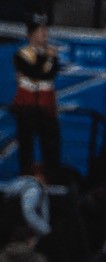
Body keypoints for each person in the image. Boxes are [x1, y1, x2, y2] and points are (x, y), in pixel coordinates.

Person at [11, 19, 62, 177]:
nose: (45, 34)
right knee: (26, 143)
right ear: (32, 35)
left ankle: (51, 175)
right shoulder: (22, 54)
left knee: (51, 143)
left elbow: (51, 74)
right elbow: (37, 73)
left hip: (46, 105)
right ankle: (26, 175)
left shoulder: (50, 54)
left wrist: (50, 59)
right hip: (27, 105)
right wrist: (49, 59)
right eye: (41, 31)